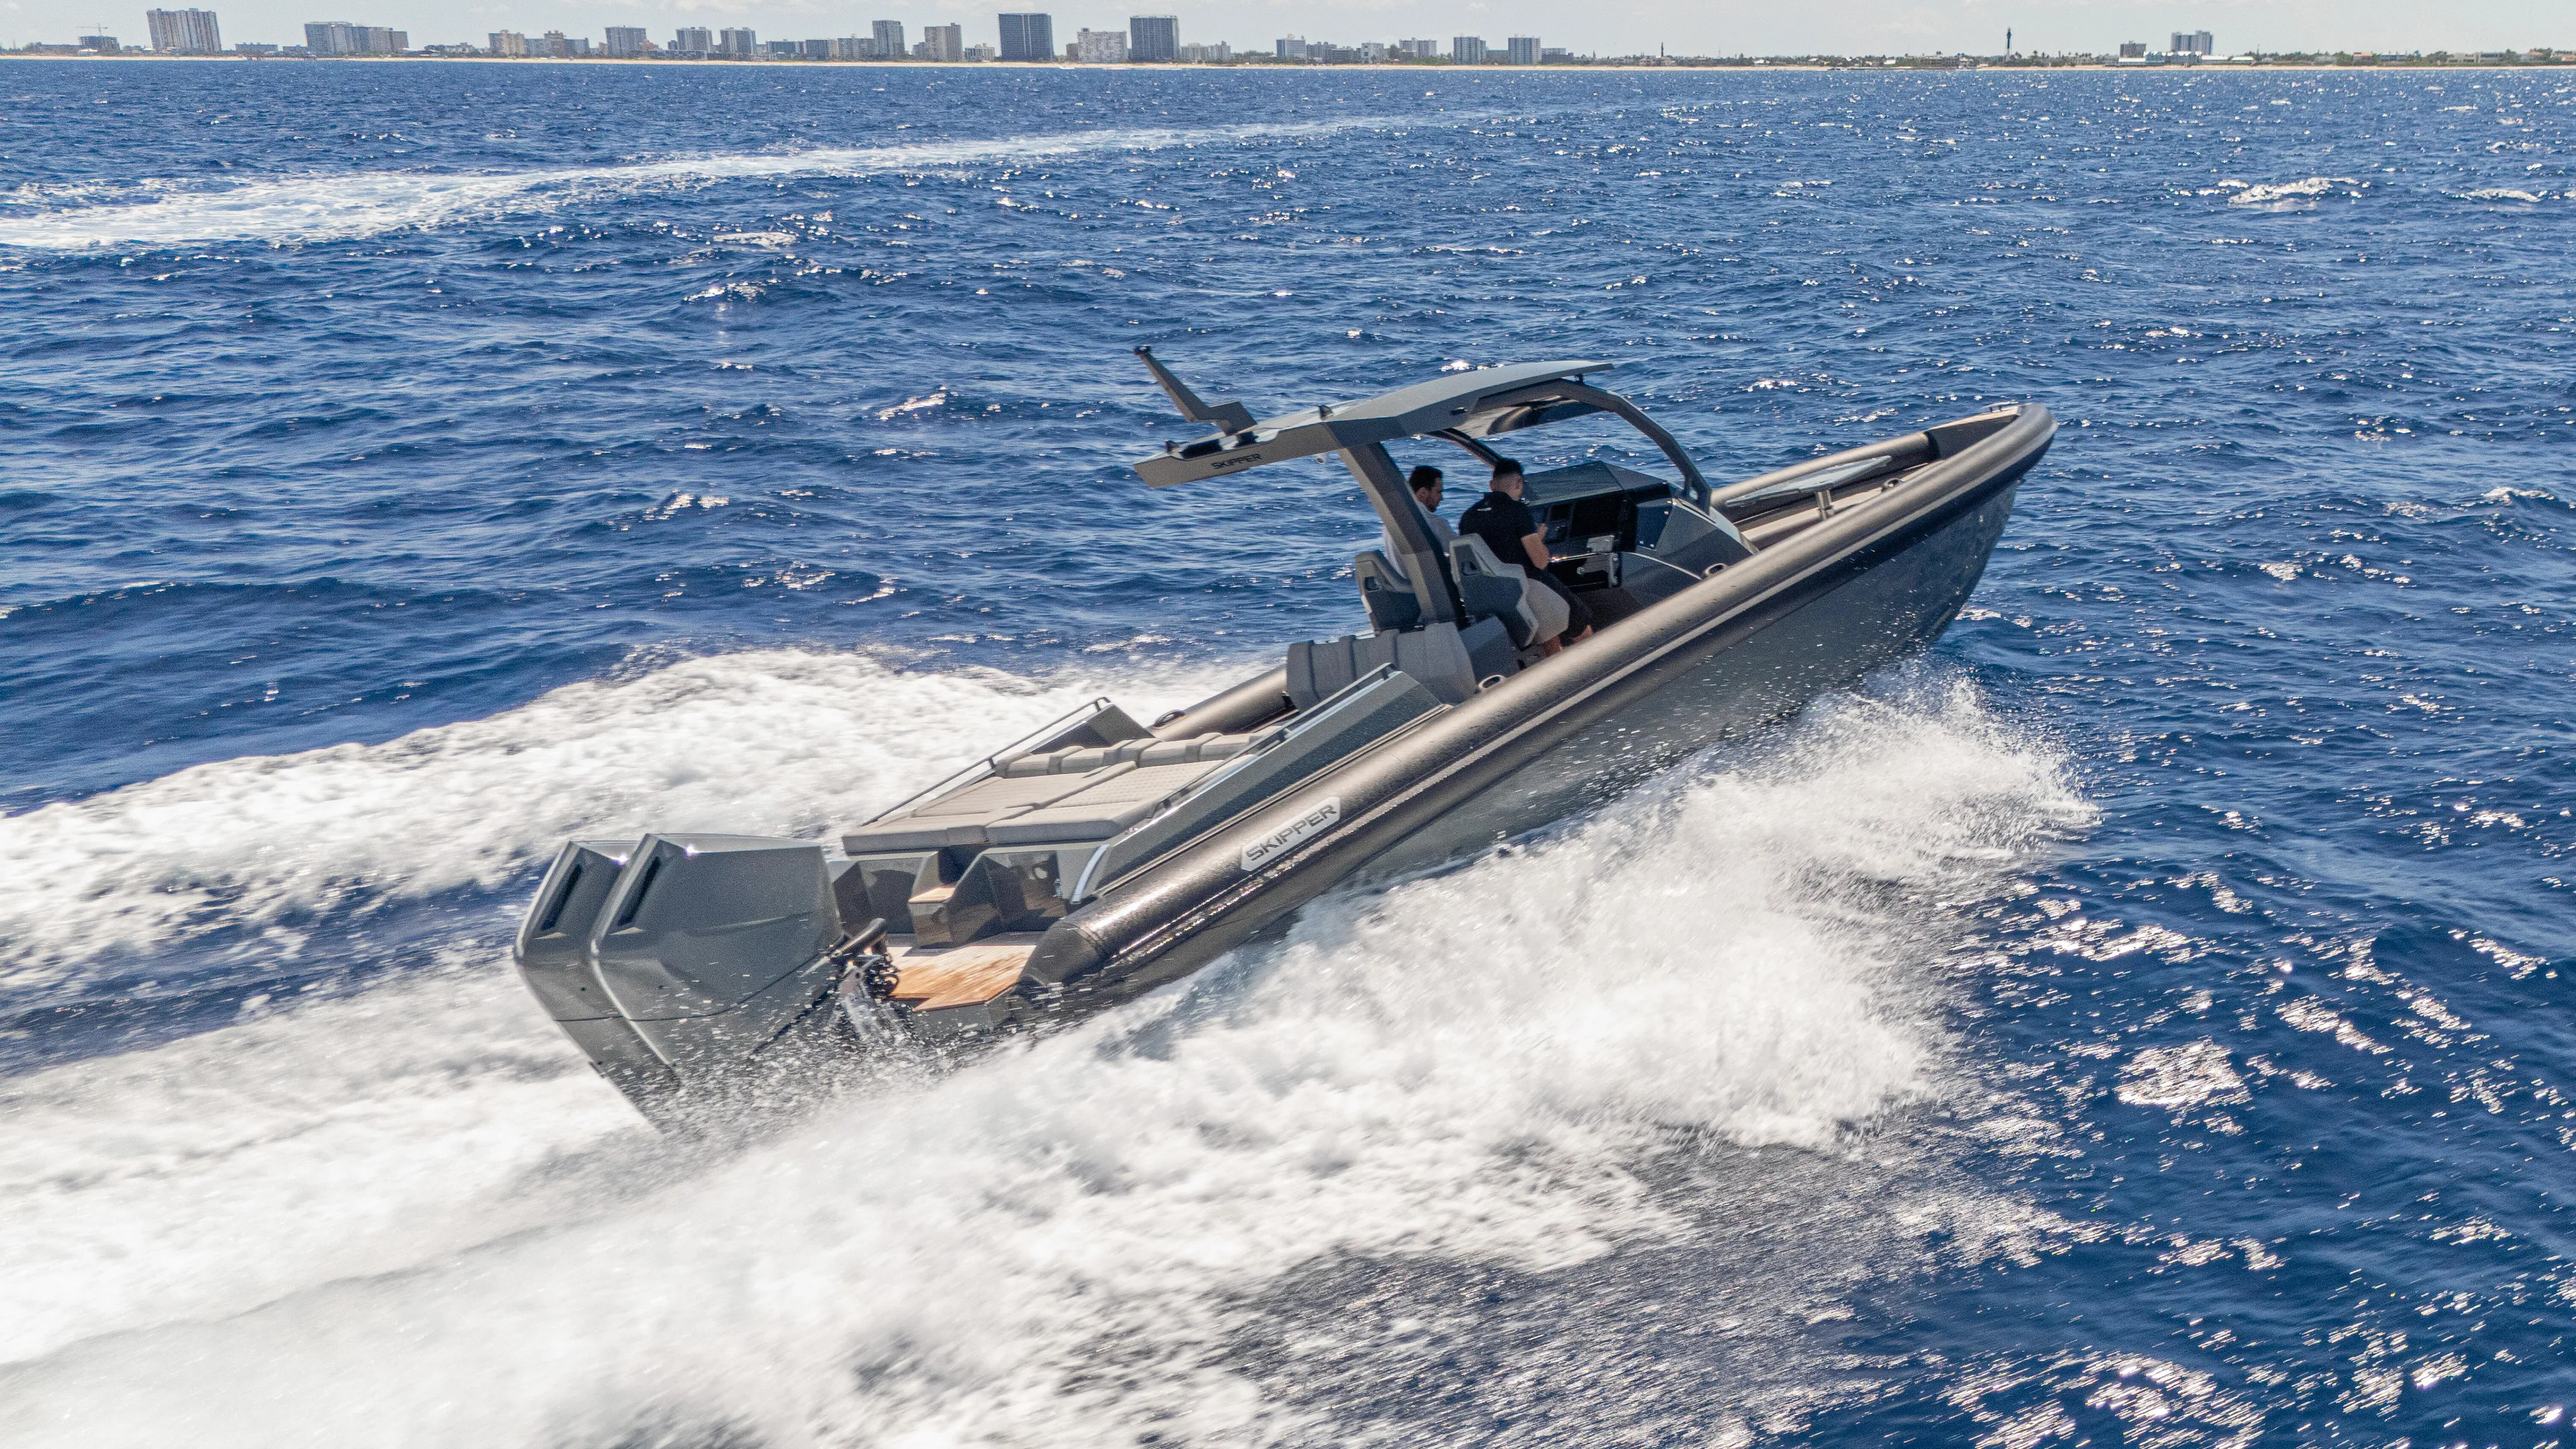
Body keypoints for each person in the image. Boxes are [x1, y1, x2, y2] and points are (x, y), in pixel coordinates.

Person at [1459, 458, 1592, 649]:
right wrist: (1539, 538)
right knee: (1581, 624)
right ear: (1519, 484)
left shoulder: (1468, 517)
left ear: (1491, 485)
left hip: (1488, 592)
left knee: (1546, 619)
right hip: (1525, 585)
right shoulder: (1517, 510)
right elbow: (1540, 561)